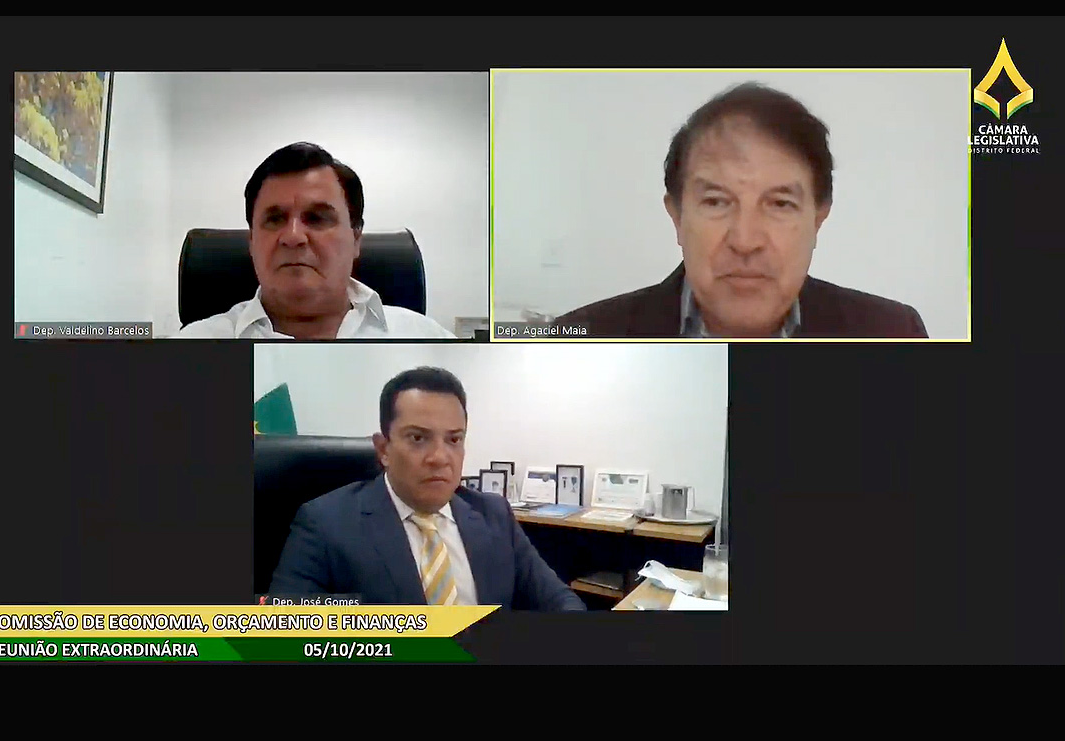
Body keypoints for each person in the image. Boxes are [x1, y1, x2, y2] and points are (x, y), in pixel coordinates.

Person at [556, 83, 928, 338]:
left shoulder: (892, 333)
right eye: (716, 202)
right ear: (677, 217)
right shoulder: (577, 341)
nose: (746, 241)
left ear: (818, 219)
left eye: (780, 204)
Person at [269, 367, 587, 610]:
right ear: (383, 449)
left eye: (454, 439)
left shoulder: (493, 514)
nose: (440, 457)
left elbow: (559, 600)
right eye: (418, 438)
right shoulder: (325, 524)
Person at [176, 142, 455, 339]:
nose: (293, 236)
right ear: (252, 241)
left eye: (317, 218)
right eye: (274, 219)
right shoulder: (188, 351)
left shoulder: (429, 341)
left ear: (356, 238)